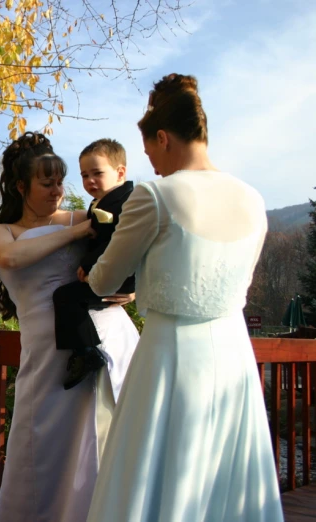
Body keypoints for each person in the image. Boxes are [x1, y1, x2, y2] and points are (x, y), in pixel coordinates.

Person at [85, 74, 283, 522]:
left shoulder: (156, 195)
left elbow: (102, 281)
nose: (150, 161)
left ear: (163, 137)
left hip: (170, 355)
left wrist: (97, 271)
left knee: (157, 470)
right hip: (234, 353)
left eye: (150, 149)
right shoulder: (253, 199)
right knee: (225, 478)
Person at [0, 133, 139, 522]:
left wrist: (133, 290)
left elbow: (130, 250)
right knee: (45, 444)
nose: (58, 191)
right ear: (22, 186)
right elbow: (12, 258)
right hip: (47, 351)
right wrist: (74, 231)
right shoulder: (3, 232)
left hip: (110, 336)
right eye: (47, 183)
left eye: (60, 182)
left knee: (108, 440)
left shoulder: (91, 216)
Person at [53, 138, 136, 390]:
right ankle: (85, 350)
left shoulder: (125, 202)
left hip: (118, 276)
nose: (90, 181)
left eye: (97, 173)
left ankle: (86, 352)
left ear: (120, 172)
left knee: (65, 297)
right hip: (110, 273)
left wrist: (88, 264)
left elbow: (117, 241)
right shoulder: (100, 202)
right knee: (70, 297)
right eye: (84, 175)